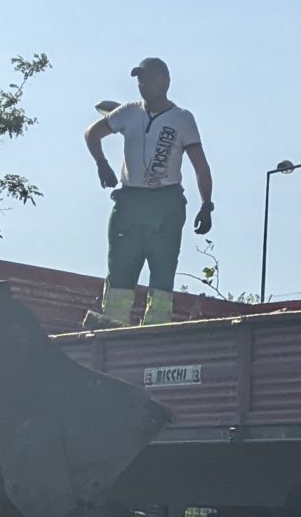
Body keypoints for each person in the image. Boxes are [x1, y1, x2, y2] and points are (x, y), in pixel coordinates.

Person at [83, 58, 213, 325]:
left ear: (165, 81)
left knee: (163, 270)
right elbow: (91, 134)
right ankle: (114, 327)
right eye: (139, 80)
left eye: (148, 79)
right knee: (121, 268)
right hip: (130, 201)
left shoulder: (182, 119)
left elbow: (200, 166)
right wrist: (102, 165)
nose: (143, 85)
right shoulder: (128, 112)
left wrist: (206, 204)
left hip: (166, 204)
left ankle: (155, 329)